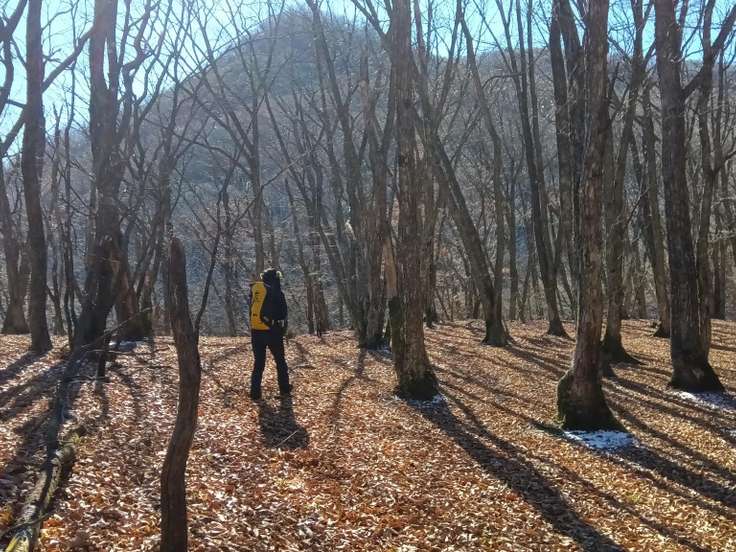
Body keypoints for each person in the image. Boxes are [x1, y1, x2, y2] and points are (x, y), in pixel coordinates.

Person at [249, 268, 292, 400]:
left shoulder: (256, 291)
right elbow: (283, 313)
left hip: (256, 331)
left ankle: (255, 393)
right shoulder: (278, 293)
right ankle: (284, 388)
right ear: (276, 279)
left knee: (258, 363)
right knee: (280, 361)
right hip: (272, 331)